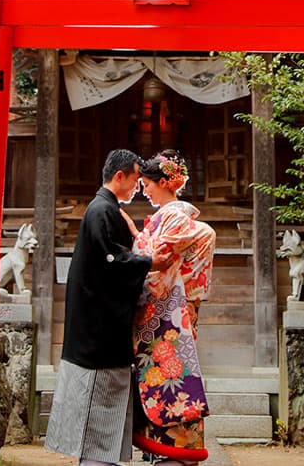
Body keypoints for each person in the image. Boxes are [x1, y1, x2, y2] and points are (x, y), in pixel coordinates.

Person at [45, 149, 174, 466]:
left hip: (102, 329)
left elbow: (114, 256)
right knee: (96, 424)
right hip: (97, 336)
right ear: (119, 177)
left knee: (104, 425)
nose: (136, 187)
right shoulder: (101, 211)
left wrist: (136, 240)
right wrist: (149, 261)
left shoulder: (105, 210)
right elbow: (111, 261)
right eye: (133, 180)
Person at [121, 150, 216, 466]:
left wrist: (136, 240)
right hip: (172, 309)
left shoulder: (174, 216)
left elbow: (154, 258)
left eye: (147, 184)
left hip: (168, 312)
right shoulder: (173, 216)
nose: (144, 190)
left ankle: (175, 450)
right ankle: (174, 449)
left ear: (163, 182)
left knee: (169, 378)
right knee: (167, 377)